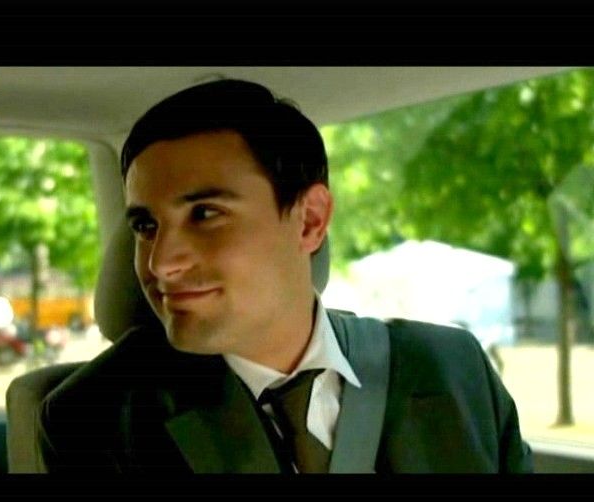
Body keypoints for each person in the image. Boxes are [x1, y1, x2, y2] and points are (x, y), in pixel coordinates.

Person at [37, 79, 533, 473]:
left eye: (205, 215)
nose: (161, 263)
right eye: (146, 227)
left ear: (310, 221)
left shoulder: (453, 370)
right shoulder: (96, 419)